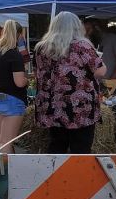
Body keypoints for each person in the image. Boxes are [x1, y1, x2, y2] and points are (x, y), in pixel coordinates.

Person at [35, 12, 107, 154]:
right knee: (81, 148)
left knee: (56, 145)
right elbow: (100, 71)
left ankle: (54, 175)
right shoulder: (82, 46)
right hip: (79, 107)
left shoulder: (41, 47)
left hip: (51, 105)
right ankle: (78, 176)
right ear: (76, 27)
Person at [0, 20, 27, 154]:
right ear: (18, 35)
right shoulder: (15, 55)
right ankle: (5, 172)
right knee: (7, 142)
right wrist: (27, 79)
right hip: (12, 99)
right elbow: (19, 82)